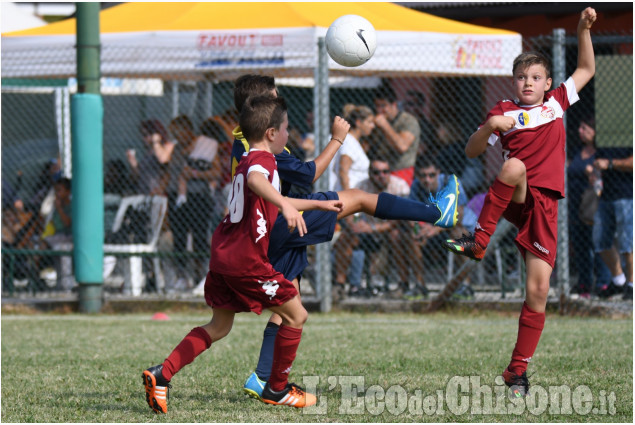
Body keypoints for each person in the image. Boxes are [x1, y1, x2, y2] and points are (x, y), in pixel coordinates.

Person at [230, 74, 459, 401]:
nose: (281, 105)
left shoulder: (241, 137)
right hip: (281, 219)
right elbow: (310, 174)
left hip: (268, 224)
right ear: (260, 109)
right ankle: (437, 213)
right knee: (360, 197)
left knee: (287, 306)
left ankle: (263, 378)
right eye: (275, 98)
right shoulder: (262, 145)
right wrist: (338, 139)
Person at [142, 95, 344, 413]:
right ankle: (277, 389)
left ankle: (161, 375)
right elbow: (258, 182)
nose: (289, 134)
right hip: (245, 260)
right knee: (297, 314)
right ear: (271, 133)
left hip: (224, 254)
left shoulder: (248, 157)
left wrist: (315, 204)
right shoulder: (262, 162)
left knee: (219, 326)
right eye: (286, 128)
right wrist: (285, 204)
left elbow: (262, 189)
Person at [443, 8, 597, 397]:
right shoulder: (504, 112)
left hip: (544, 206)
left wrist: (581, 30)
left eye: (534, 77)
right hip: (515, 194)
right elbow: (472, 150)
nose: (527, 82)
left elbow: (586, 69)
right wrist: (489, 127)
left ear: (547, 83)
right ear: (514, 81)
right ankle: (479, 241)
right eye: (521, 77)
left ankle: (516, 372)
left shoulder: (556, 103)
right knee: (512, 165)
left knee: (538, 291)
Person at [333, 156, 411, 297]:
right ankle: (340, 285)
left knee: (396, 235)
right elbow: (349, 212)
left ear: (390, 172)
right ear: (370, 174)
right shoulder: (362, 186)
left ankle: (403, 285)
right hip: (366, 232)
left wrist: (373, 228)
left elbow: (401, 219)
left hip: (388, 230)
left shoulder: (399, 186)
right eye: (376, 172)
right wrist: (354, 224)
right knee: (346, 236)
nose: (381, 176)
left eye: (385, 172)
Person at [407, 157, 468, 298]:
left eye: (431, 175)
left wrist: (435, 229)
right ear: (417, 176)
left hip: (449, 229)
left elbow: (458, 215)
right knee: (412, 237)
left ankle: (465, 285)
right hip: (427, 230)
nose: (427, 180)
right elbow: (410, 214)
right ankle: (420, 286)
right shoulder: (416, 186)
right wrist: (419, 229)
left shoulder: (450, 183)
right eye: (423, 176)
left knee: (461, 235)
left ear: (438, 173)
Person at [566, 117, 610, 297]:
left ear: (595, 131)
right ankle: (584, 283)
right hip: (575, 205)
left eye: (584, 128)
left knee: (597, 243)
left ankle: (603, 283)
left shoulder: (601, 153)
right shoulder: (578, 151)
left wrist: (593, 172)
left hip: (593, 204)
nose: (580, 131)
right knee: (580, 246)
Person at [590, 149, 633, 300]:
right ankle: (619, 281)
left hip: (628, 195)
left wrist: (610, 164)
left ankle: (632, 286)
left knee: (628, 243)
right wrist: (593, 173)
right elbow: (597, 164)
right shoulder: (603, 140)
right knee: (600, 240)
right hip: (606, 196)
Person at [372, 84, 421, 186]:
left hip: (401, 172)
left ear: (394, 105)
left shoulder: (408, 121)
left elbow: (402, 146)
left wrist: (385, 125)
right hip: (380, 173)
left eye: (383, 106)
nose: (379, 110)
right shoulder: (377, 121)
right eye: (377, 106)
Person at [328, 104, 374, 191]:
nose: (372, 126)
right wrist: (348, 196)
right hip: (348, 197)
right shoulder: (349, 141)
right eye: (369, 122)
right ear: (358, 122)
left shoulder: (353, 141)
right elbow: (343, 171)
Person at [127, 119, 174, 196]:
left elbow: (163, 159)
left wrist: (156, 141)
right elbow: (137, 177)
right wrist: (134, 164)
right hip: (144, 192)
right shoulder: (148, 152)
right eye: (142, 135)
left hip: (158, 193)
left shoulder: (166, 146)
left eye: (145, 135)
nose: (143, 139)